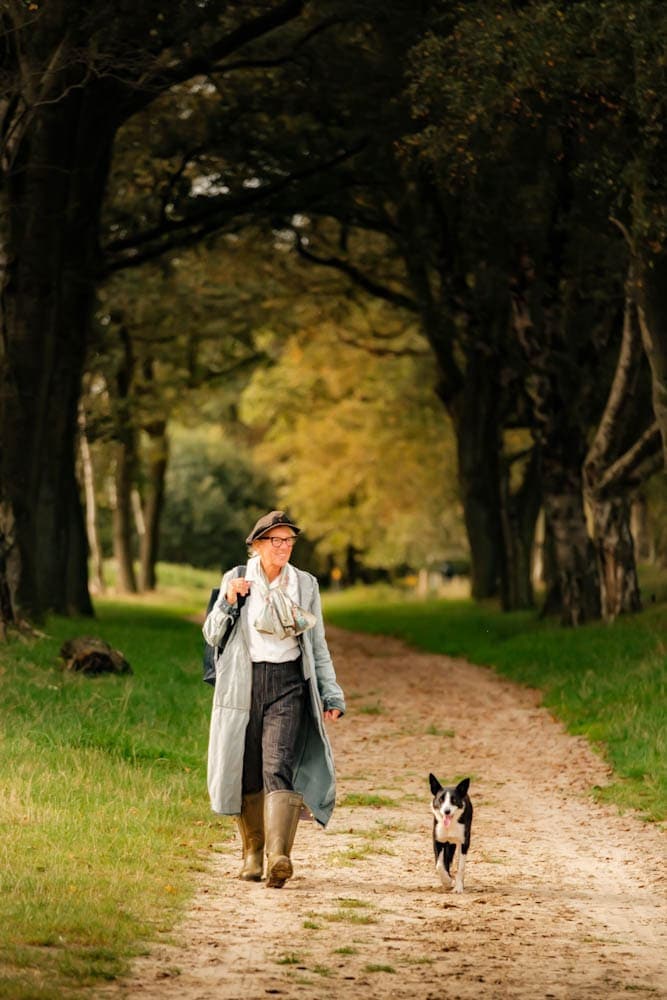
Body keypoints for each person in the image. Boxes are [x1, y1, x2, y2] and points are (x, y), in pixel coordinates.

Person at [203, 510, 345, 888]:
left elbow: (317, 644)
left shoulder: (305, 584)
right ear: (257, 544)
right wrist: (229, 602)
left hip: (287, 682)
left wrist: (331, 692)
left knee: (277, 763)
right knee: (247, 766)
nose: (283, 548)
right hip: (242, 683)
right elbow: (212, 635)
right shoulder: (236, 579)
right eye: (275, 541)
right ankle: (252, 854)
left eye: (288, 541)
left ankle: (279, 855)